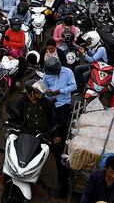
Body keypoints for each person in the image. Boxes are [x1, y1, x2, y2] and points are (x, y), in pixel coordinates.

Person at [42, 56, 76, 197]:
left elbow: (74, 86)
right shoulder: (46, 75)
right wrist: (48, 93)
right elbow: (44, 88)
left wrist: (59, 91)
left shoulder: (68, 72)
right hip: (51, 105)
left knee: (60, 132)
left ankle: (60, 152)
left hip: (64, 105)